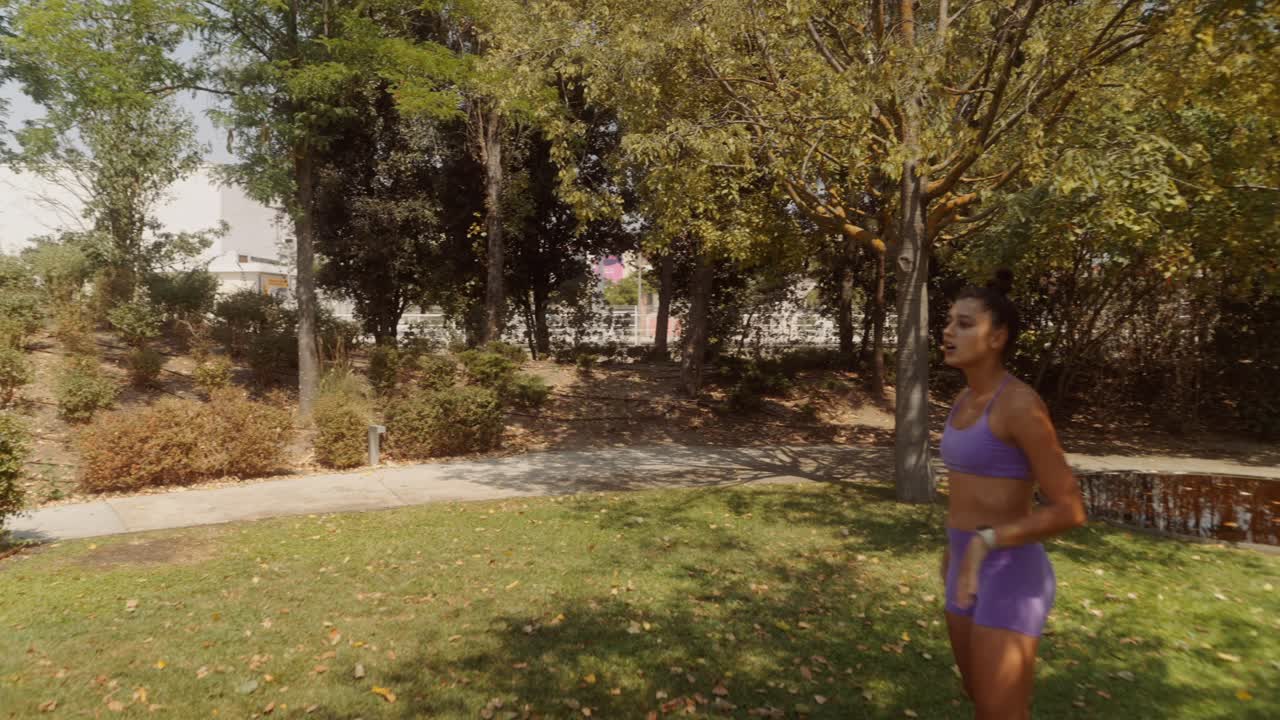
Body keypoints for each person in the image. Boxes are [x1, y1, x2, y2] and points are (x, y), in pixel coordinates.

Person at [939, 269, 1087, 719]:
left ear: (997, 337)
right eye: (949, 321)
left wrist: (985, 543)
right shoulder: (963, 401)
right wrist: (955, 553)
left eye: (965, 324)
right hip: (962, 566)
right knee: (979, 696)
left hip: (1009, 573)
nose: (948, 332)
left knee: (1000, 712)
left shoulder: (1020, 404)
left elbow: (1070, 510)